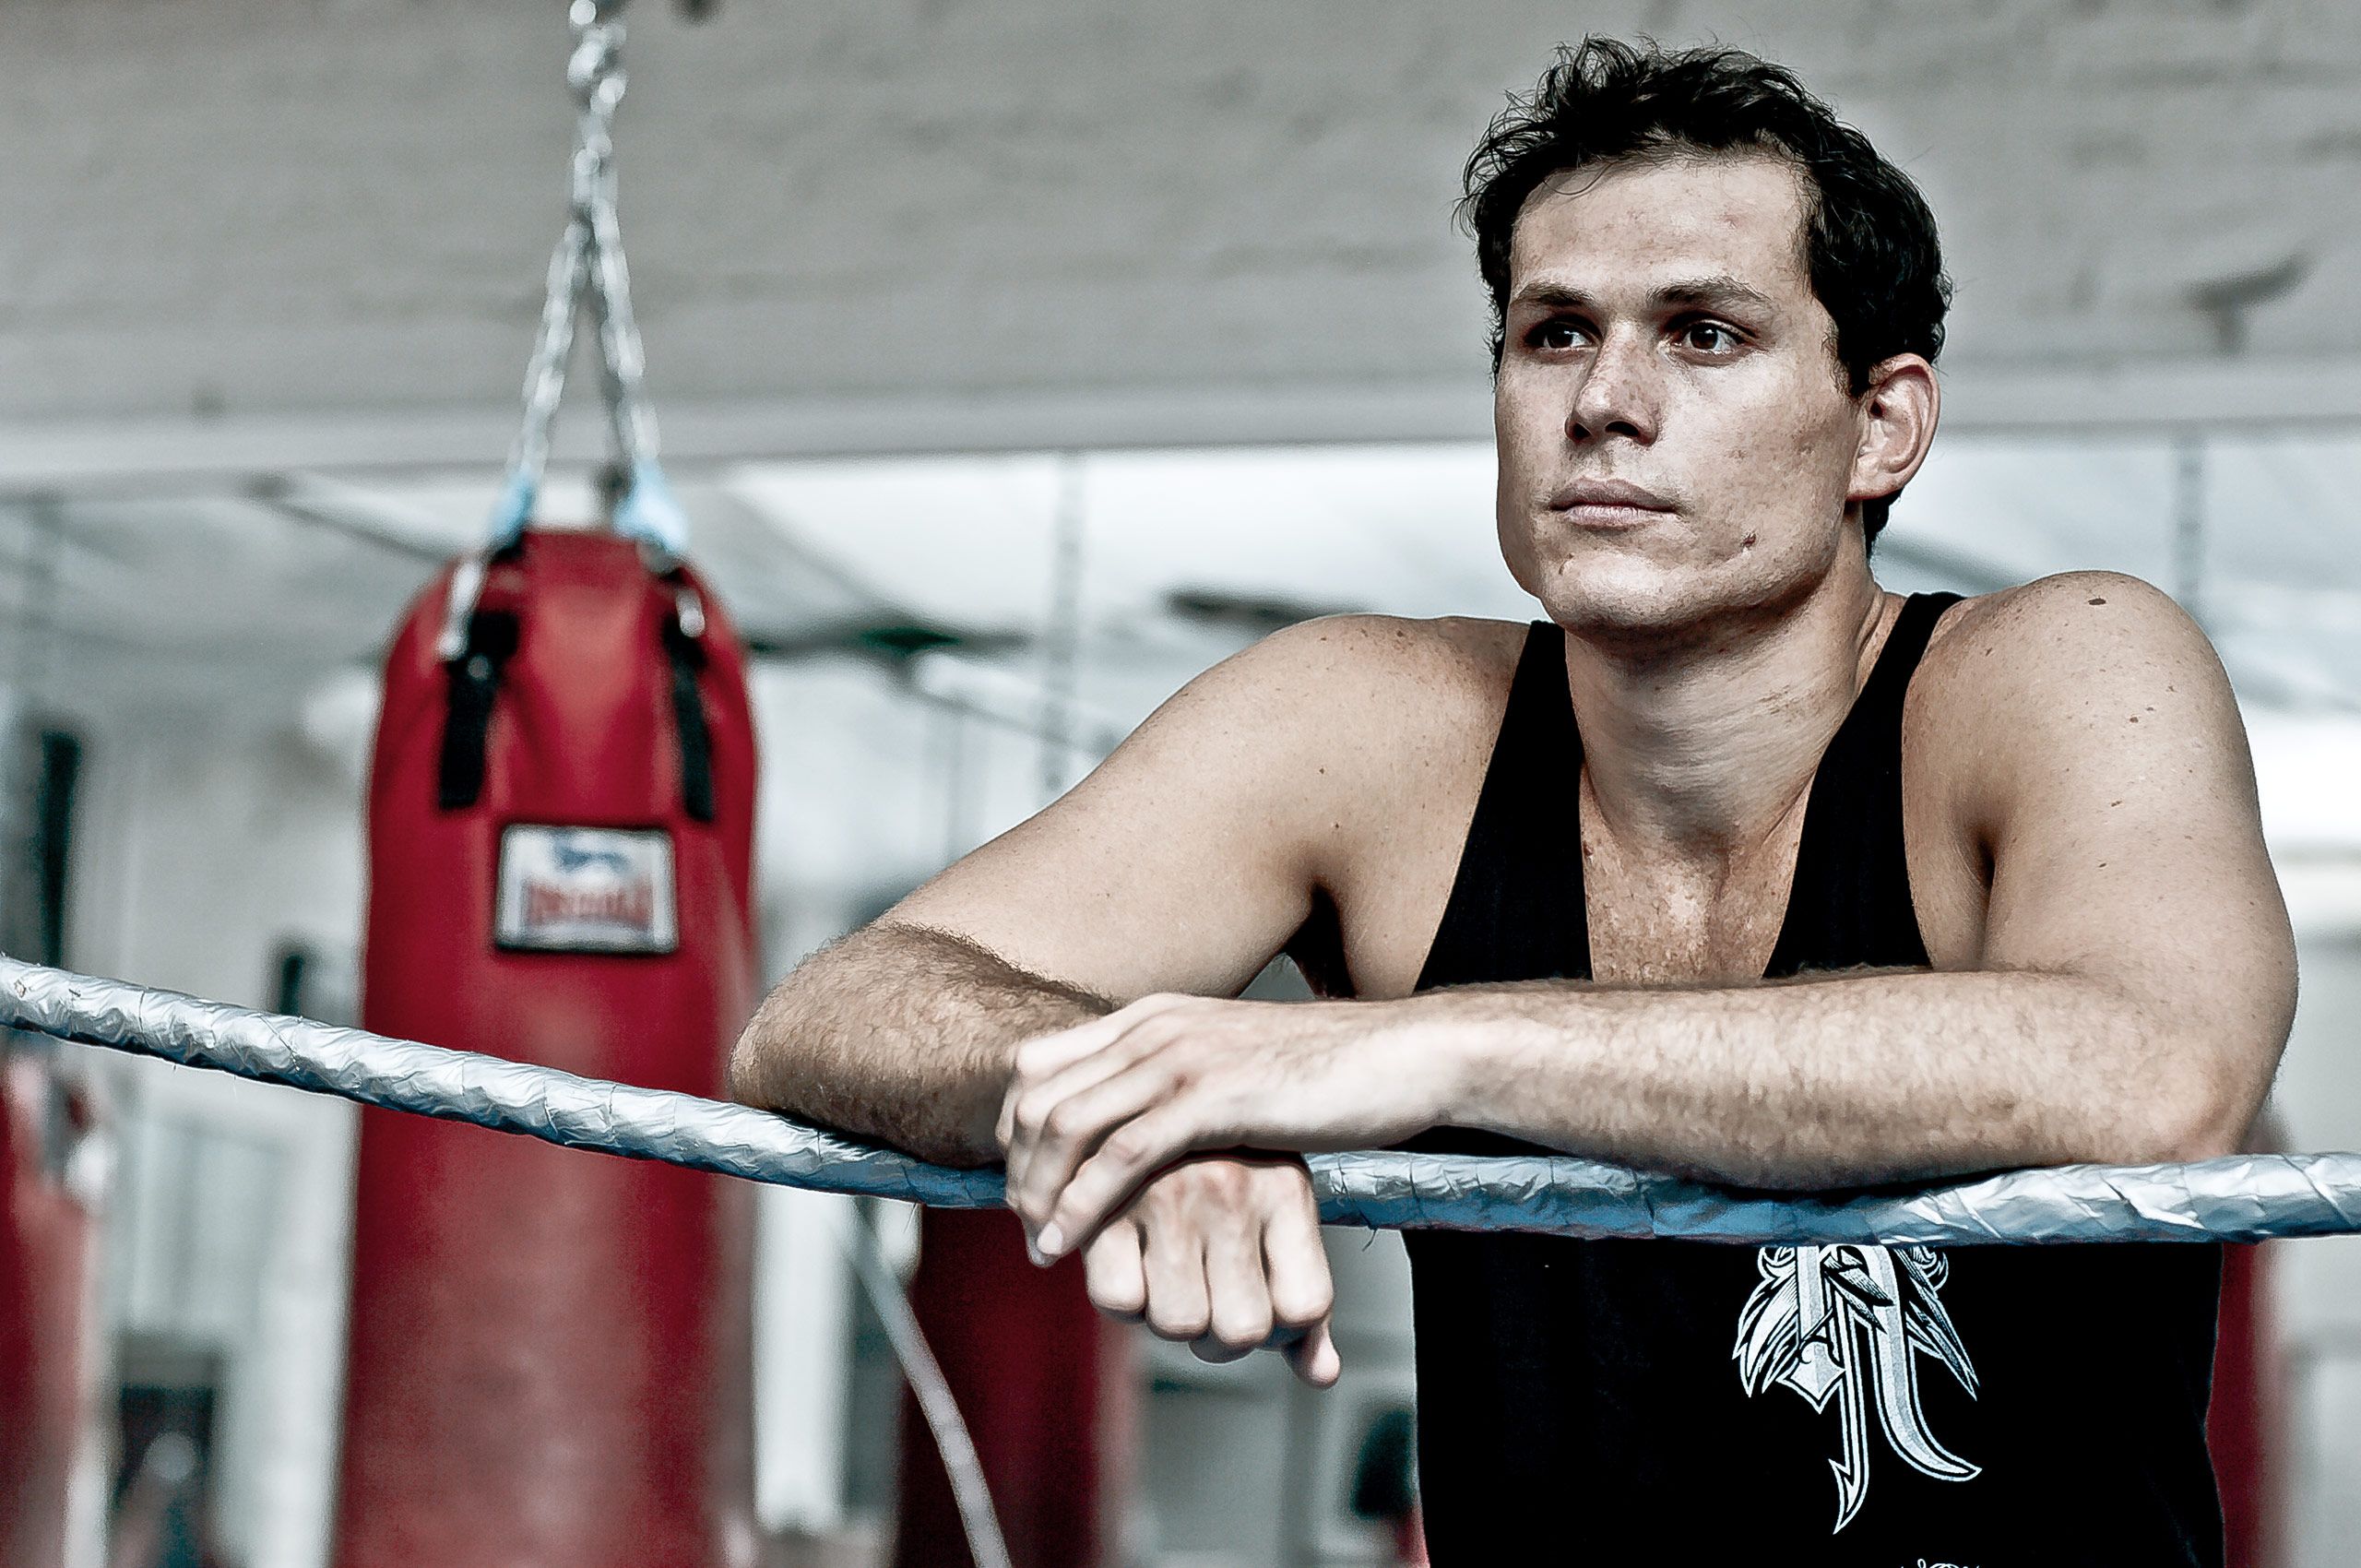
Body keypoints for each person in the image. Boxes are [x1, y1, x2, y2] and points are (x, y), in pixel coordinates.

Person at [730, 37, 2296, 1562]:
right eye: (1554, 333)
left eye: (1704, 334)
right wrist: (1155, 1101)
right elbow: (828, 1013)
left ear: (1879, 425)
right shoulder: (1371, 724)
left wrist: (1408, 1047)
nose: (1606, 402)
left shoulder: (2062, 670)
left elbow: (2153, 1069)